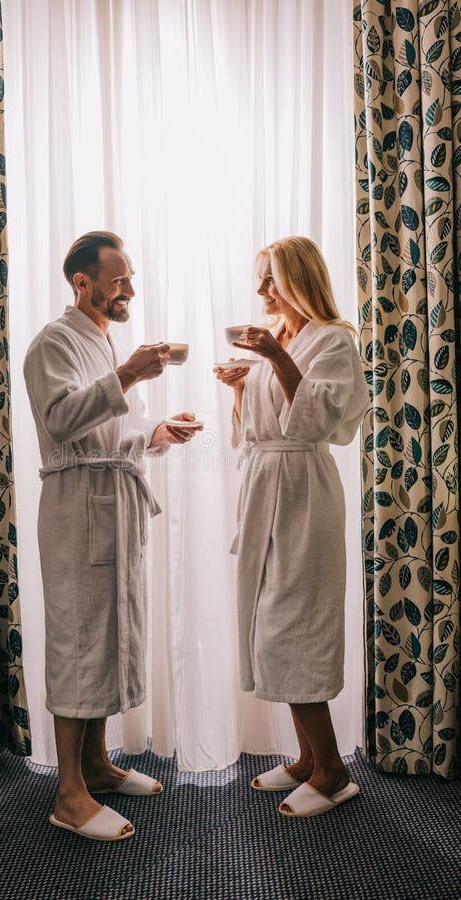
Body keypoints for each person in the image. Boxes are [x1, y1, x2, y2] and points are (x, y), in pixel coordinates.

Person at [24, 231, 201, 841]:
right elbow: (61, 422)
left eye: (130, 277)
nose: (129, 288)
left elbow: (105, 437)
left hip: (111, 503)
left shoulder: (101, 341)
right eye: (119, 278)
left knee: (104, 635)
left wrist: (155, 433)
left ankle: (97, 767)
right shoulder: (53, 342)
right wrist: (127, 375)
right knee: (78, 642)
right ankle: (69, 796)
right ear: (83, 283)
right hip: (78, 514)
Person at [215, 235, 368, 818]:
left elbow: (319, 422)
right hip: (266, 487)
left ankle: (332, 771)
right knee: (267, 625)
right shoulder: (281, 339)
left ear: (300, 280)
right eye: (259, 280)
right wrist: (239, 388)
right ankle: (306, 759)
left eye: (271, 280)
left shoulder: (332, 340)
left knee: (294, 627)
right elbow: (261, 426)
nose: (260, 292)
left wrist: (275, 362)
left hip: (304, 494)